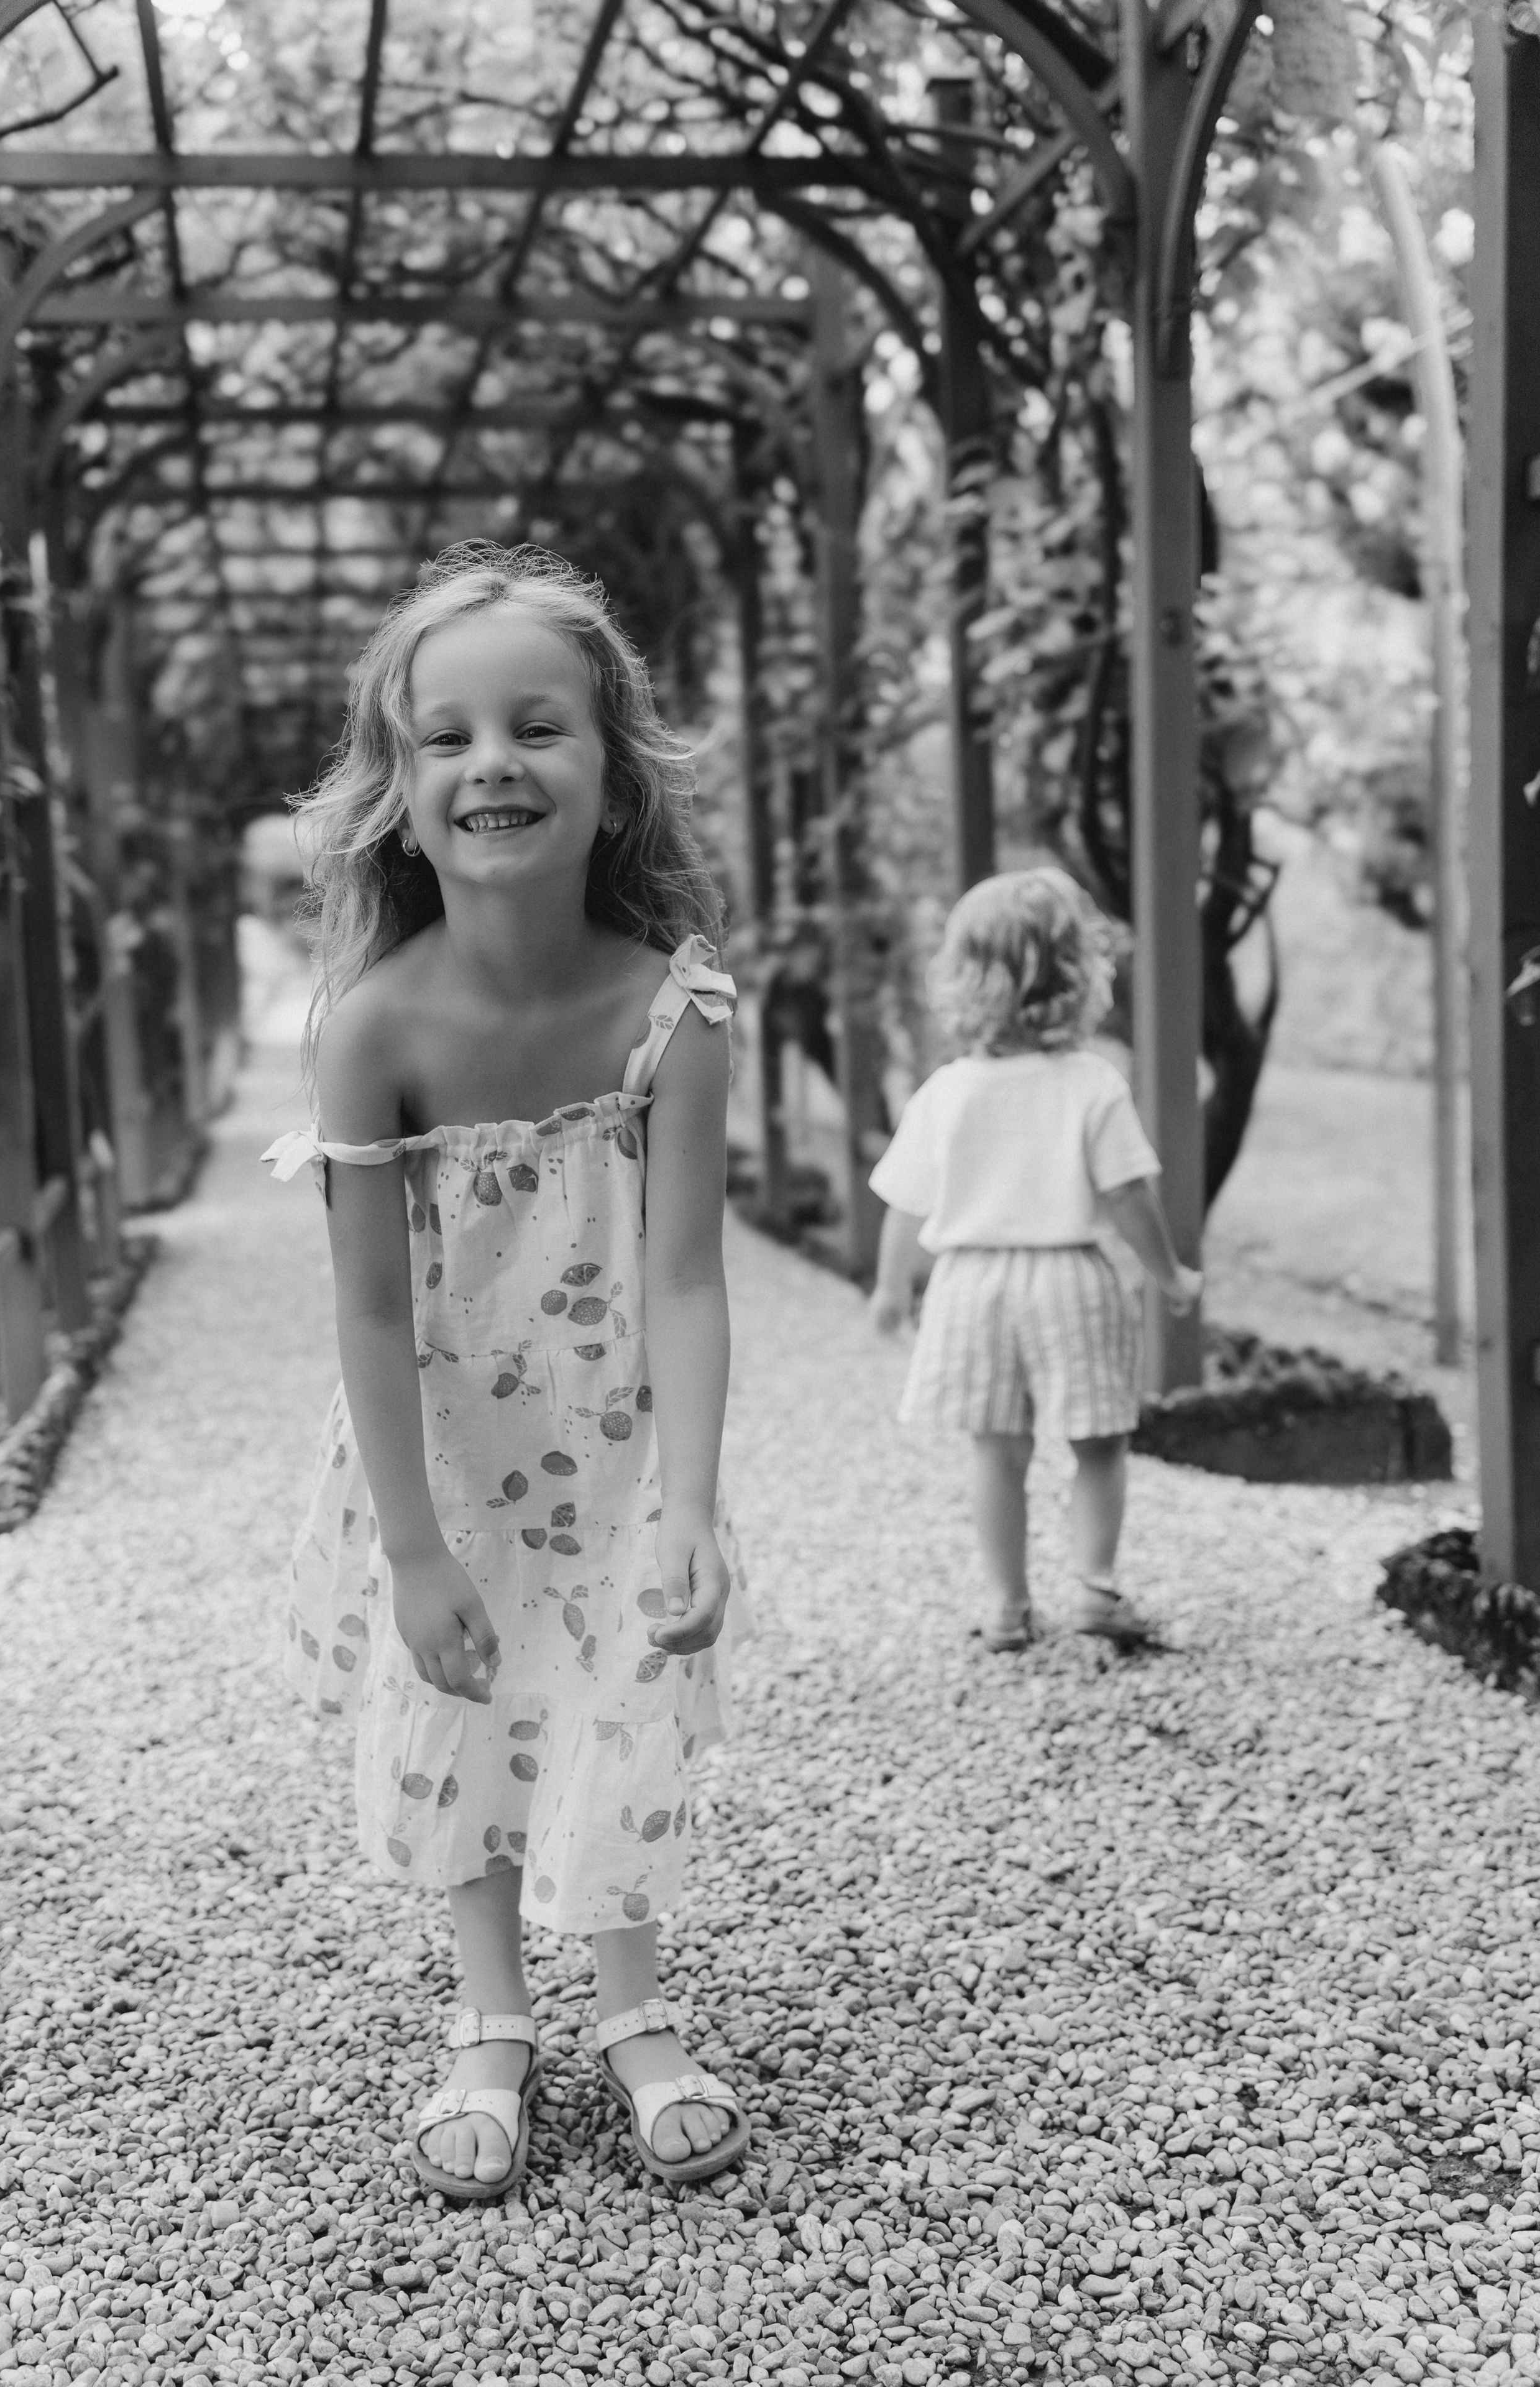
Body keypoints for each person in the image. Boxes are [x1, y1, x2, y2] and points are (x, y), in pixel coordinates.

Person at [264, 543, 749, 2201]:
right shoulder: (369, 1028)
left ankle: (628, 2003)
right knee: (453, 1713)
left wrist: (694, 1497)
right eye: (445, 738)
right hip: (444, 1452)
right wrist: (410, 1547)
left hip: (613, 1448)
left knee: (617, 1700)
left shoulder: (674, 1014)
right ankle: (490, 2018)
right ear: (393, 792)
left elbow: (684, 1275)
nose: (493, 764)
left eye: (538, 727)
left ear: (612, 775)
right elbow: (371, 1316)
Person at [868, 867, 1202, 1651]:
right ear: (1077, 975)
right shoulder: (1092, 1084)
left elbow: (904, 1202)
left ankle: (1009, 1605)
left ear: (964, 978)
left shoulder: (946, 1090)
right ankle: (1093, 1588)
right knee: (1097, 1442)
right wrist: (1169, 1275)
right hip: (1070, 1279)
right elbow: (1129, 1197)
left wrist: (890, 1289)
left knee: (997, 1447)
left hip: (969, 1284)